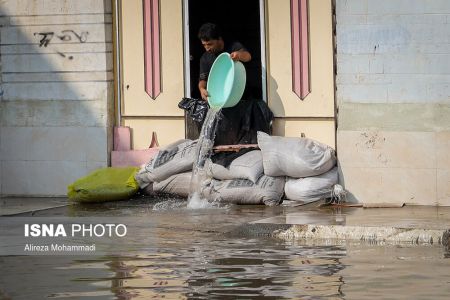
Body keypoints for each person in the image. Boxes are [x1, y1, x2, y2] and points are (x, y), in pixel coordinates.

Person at [197, 23, 252, 101]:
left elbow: (248, 56)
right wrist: (202, 89)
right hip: (221, 96)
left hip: (242, 95)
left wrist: (239, 55)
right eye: (204, 45)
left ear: (219, 39)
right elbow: (202, 79)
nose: (207, 48)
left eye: (210, 44)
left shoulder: (233, 46)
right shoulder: (205, 58)